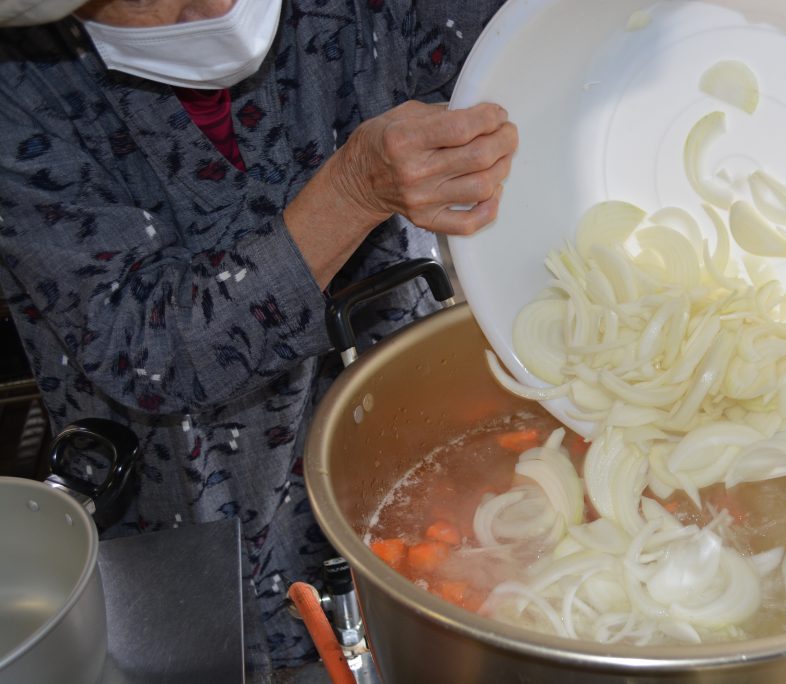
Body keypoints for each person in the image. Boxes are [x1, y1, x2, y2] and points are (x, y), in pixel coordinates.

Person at [0, 0, 514, 672]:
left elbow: (519, 40)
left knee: (434, 595)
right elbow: (150, 347)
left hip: (398, 400)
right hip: (200, 483)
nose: (214, 7)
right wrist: (355, 190)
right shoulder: (22, 89)